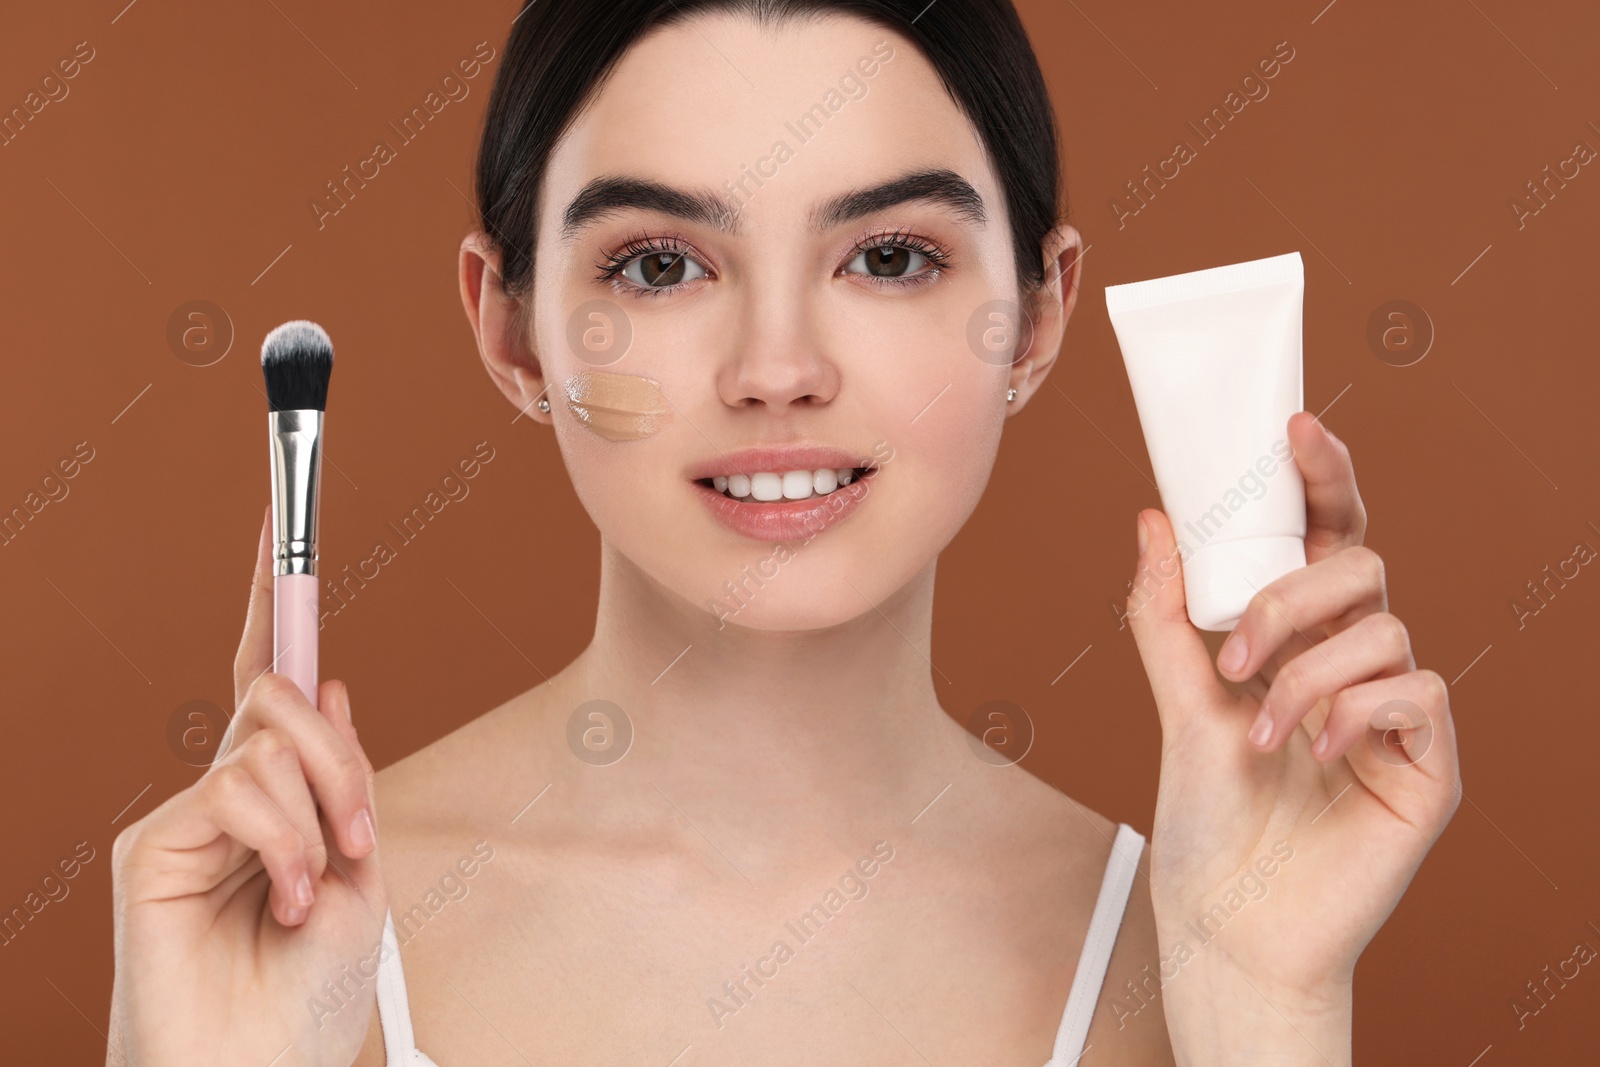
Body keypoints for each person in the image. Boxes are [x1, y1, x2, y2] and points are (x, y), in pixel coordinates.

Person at [106, 2, 1461, 1064]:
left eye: (887, 257)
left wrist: (1266, 1011)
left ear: (1037, 318)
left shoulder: (1190, 948)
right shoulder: (278, 934)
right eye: (660, 263)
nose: (776, 368)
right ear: (512, 329)